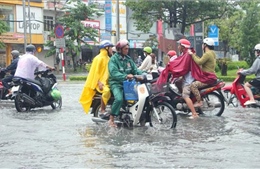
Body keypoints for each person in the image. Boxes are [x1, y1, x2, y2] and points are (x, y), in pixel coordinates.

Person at [108, 39, 143, 127]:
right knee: (119, 99)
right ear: (119, 49)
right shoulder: (113, 59)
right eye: (125, 49)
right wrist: (125, 76)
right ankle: (111, 119)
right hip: (116, 83)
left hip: (128, 83)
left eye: (128, 49)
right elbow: (114, 73)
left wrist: (144, 74)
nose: (127, 50)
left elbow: (135, 70)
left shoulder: (128, 59)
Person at [79, 40, 114, 116]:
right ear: (106, 48)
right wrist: (99, 82)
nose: (112, 50)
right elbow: (94, 73)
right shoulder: (98, 58)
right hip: (100, 84)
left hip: (108, 82)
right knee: (107, 91)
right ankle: (102, 110)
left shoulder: (108, 58)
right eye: (111, 48)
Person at [188, 38, 217, 107]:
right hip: (210, 76)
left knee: (193, 85)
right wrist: (194, 55)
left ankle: (199, 102)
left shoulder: (207, 54)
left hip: (207, 78)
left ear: (205, 45)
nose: (202, 46)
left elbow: (199, 62)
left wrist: (192, 55)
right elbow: (201, 60)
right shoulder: (212, 53)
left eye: (203, 44)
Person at [177, 39, 199, 119]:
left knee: (185, 95)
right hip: (187, 77)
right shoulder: (185, 54)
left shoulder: (187, 55)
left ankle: (194, 114)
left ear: (183, 46)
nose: (178, 46)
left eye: (179, 45)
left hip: (189, 78)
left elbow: (183, 67)